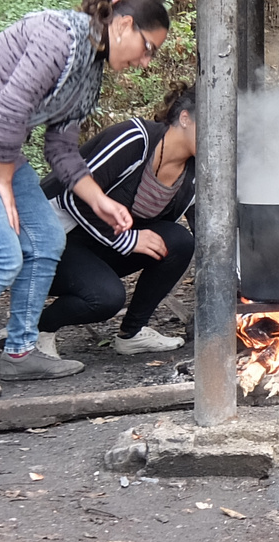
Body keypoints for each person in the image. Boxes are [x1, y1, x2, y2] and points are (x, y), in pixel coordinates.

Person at [0, 0, 170, 400]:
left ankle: (20, 352)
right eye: (147, 47)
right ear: (122, 25)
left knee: (47, 237)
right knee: (0, 256)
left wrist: (99, 199)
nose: (145, 61)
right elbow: (9, 111)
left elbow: (60, 148)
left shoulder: (90, 72)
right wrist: (5, 186)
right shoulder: (58, 38)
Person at [34, 84, 197, 359]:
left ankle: (132, 334)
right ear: (184, 118)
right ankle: (36, 331)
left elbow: (212, 231)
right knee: (105, 298)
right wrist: (128, 240)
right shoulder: (136, 139)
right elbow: (73, 197)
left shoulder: (196, 170)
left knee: (179, 242)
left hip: (100, 241)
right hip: (51, 239)